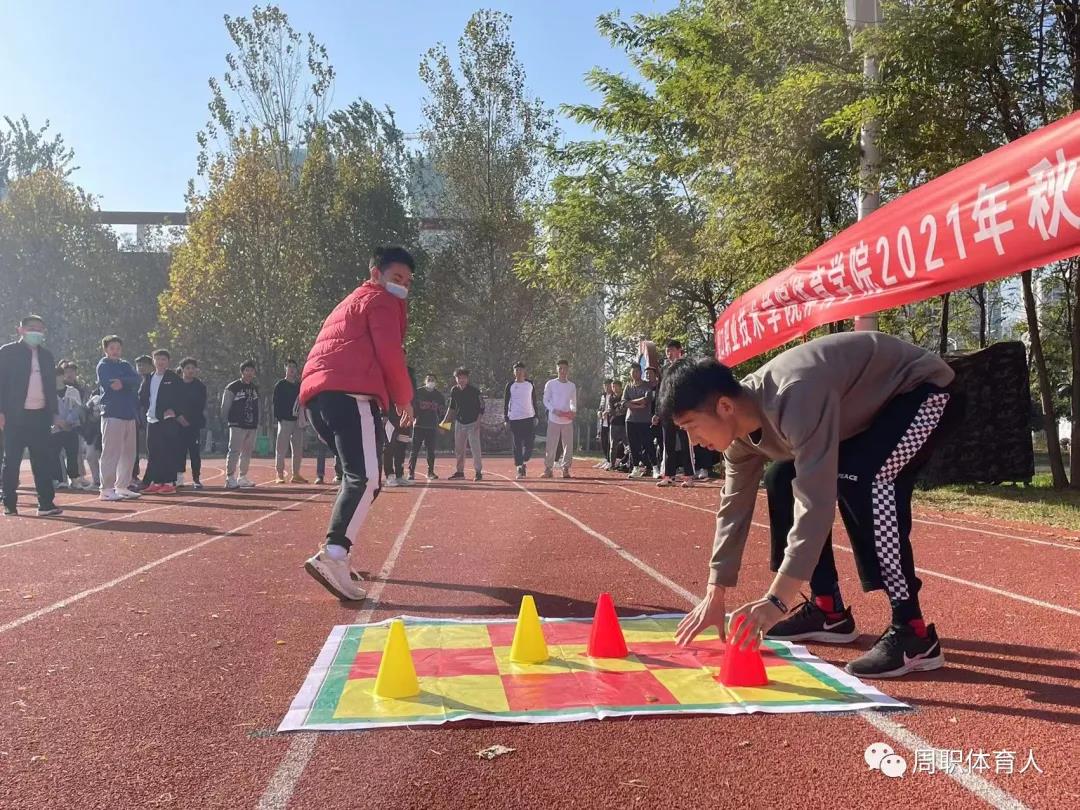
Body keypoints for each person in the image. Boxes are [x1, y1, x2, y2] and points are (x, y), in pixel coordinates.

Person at [663, 332, 962, 679]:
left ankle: (913, 631)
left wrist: (777, 600)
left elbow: (816, 502)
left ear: (725, 407)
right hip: (864, 412)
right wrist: (715, 594)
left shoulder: (794, 397)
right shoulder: (739, 439)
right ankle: (828, 610)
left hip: (924, 390)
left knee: (865, 480)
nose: (692, 441)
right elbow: (733, 510)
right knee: (780, 478)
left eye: (691, 427)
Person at [300, 246, 416, 600]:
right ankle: (334, 554)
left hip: (320, 397)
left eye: (408, 282)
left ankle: (337, 550)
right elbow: (389, 352)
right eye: (397, 277)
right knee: (366, 478)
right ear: (375, 273)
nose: (402, 286)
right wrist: (403, 397)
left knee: (363, 478)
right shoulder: (380, 300)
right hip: (350, 394)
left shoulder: (352, 301)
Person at [0, 315, 63, 517]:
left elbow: (51, 387)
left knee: (43, 461)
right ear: (20, 330)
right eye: (31, 328)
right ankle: (9, 503)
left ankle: (46, 504)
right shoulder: (7, 352)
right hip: (14, 416)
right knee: (12, 461)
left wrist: (54, 413)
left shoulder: (46, 356)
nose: (36, 332)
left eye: (40, 329)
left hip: (40, 416)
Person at [96, 336, 141, 501]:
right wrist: (126, 383)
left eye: (118, 348)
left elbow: (137, 379)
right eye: (112, 348)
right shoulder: (103, 366)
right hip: (112, 413)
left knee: (129, 453)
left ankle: (122, 486)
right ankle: (106, 489)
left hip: (129, 413)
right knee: (111, 452)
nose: (115, 351)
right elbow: (112, 385)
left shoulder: (125, 365)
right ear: (106, 350)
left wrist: (123, 382)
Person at [138, 349, 183, 494]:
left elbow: (182, 397)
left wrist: (174, 411)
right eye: (157, 359)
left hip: (167, 421)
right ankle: (156, 482)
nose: (160, 362)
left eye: (163, 359)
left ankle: (169, 483)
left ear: (168, 361)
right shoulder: (149, 378)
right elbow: (142, 397)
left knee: (168, 451)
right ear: (153, 361)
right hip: (152, 420)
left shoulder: (173, 378)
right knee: (154, 452)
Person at [658, 340, 696, 488]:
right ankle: (669, 476)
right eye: (667, 351)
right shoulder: (664, 369)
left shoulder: (687, 366)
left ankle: (689, 476)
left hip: (682, 411)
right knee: (668, 444)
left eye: (672, 350)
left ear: (680, 350)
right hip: (667, 411)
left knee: (686, 444)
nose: (669, 354)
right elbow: (660, 391)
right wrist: (657, 412)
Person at [222, 361, 260, 489]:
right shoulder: (232, 387)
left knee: (247, 452)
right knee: (234, 450)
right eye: (247, 370)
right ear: (242, 372)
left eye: (251, 371)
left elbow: (257, 406)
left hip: (251, 425)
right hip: (236, 424)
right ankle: (230, 477)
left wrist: (257, 422)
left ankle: (242, 477)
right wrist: (226, 421)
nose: (249, 373)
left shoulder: (254, 388)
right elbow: (225, 406)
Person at [444, 368, 484, 481]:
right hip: (460, 423)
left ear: (467, 379)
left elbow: (482, 407)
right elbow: (452, 407)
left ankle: (478, 472)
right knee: (459, 449)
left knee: (475, 449)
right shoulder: (454, 390)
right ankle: (460, 472)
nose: (461, 380)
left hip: (473, 423)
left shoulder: (474, 391)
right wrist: (445, 422)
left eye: (464, 378)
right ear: (456, 378)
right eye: (459, 378)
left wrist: (478, 421)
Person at [273, 359, 308, 484]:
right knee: (281, 449)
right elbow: (275, 403)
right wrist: (279, 419)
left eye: (294, 367)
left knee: (297, 450)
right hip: (285, 421)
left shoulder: (300, 386)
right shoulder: (280, 385)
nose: (292, 369)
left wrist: (303, 419)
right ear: (285, 369)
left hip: (297, 422)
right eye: (289, 367)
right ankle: (279, 474)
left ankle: (296, 474)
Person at [51, 367, 86, 490]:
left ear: (63, 376)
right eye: (55, 376)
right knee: (55, 454)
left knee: (72, 454)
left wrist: (68, 421)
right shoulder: (49, 392)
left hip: (71, 428)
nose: (57, 378)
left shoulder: (73, 391)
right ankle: (60, 480)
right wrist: (58, 422)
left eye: (59, 375)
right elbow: (48, 410)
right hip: (55, 428)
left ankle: (74, 479)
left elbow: (77, 408)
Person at [176, 358, 208, 489]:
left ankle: (196, 478)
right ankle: (178, 477)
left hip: (194, 424)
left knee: (194, 452)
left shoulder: (200, 386)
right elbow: (173, 402)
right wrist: (179, 417)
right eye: (188, 368)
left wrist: (190, 420)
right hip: (178, 423)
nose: (190, 371)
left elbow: (200, 405)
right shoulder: (176, 384)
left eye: (193, 368)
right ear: (182, 369)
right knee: (179, 450)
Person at [542, 359, 577, 479]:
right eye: (560, 368)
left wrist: (573, 411)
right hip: (554, 419)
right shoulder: (550, 384)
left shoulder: (571, 385)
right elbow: (545, 400)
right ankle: (548, 469)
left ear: (568, 370)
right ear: (556, 369)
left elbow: (573, 402)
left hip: (567, 420)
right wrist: (553, 410)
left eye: (564, 368)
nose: (562, 371)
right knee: (551, 445)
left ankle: (565, 469)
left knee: (568, 445)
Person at [383, 363, 416, 487]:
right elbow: (384, 393)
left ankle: (399, 475)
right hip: (390, 416)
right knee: (389, 446)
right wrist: (384, 413)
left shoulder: (410, 372)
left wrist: (414, 413)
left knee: (402, 446)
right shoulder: (387, 371)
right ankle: (389, 475)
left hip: (405, 416)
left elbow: (414, 394)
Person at [503, 362, 538, 479]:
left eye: (520, 370)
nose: (518, 372)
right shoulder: (510, 385)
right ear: (514, 372)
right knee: (517, 444)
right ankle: (519, 467)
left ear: (524, 371)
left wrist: (536, 416)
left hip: (529, 418)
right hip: (515, 418)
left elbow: (534, 400)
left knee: (530, 443)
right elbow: (506, 403)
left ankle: (524, 460)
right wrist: (506, 418)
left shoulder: (530, 384)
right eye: (516, 370)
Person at [623, 364, 657, 479]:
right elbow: (624, 403)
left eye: (637, 372)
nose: (634, 374)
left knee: (648, 444)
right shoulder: (628, 386)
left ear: (640, 373)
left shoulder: (647, 385)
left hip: (644, 420)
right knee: (633, 446)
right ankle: (636, 467)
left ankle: (655, 468)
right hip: (630, 420)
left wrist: (631, 402)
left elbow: (646, 399)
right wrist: (637, 405)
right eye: (632, 372)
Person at [409, 374, 444, 480]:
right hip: (418, 425)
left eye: (433, 380)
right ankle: (411, 473)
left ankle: (430, 472)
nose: (431, 381)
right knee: (414, 450)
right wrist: (411, 418)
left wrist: (443, 426)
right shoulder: (418, 392)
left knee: (431, 451)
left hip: (432, 426)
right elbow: (411, 406)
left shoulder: (439, 395)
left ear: (436, 382)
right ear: (425, 380)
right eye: (429, 379)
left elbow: (442, 413)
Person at [131, 354, 153, 488]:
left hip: (148, 417)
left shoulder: (153, 380)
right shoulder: (135, 381)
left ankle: (151, 477)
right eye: (139, 365)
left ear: (151, 366)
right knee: (133, 448)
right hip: (135, 417)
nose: (141, 367)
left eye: (144, 365)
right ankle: (133, 475)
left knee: (151, 447)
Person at [608, 380, 629, 471]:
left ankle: (628, 464)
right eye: (613, 387)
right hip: (614, 423)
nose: (614, 388)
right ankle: (612, 464)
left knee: (627, 445)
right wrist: (618, 412)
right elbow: (611, 411)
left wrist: (618, 411)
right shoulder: (611, 398)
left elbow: (625, 409)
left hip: (624, 424)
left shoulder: (625, 396)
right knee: (613, 445)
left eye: (616, 386)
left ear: (620, 387)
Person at [594, 379, 613, 469]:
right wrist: (599, 412)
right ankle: (606, 458)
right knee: (603, 441)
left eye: (608, 386)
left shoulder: (614, 395)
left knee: (610, 442)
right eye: (605, 386)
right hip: (602, 422)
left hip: (611, 422)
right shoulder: (603, 396)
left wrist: (608, 412)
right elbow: (600, 407)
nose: (607, 388)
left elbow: (614, 407)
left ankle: (610, 460)